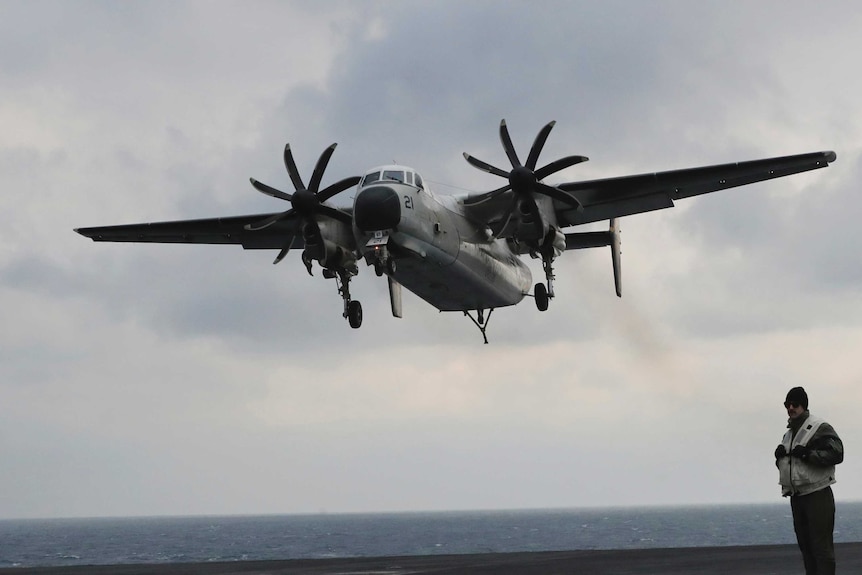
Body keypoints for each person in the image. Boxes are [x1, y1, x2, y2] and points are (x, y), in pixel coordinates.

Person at [775, 386, 844, 575]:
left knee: (821, 549)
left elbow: (837, 453)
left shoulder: (819, 428)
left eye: (795, 404)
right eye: (787, 404)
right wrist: (779, 458)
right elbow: (792, 466)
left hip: (817, 494)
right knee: (806, 547)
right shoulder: (788, 435)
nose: (790, 407)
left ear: (804, 406)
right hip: (797, 496)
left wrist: (808, 454)